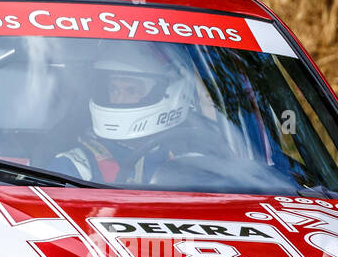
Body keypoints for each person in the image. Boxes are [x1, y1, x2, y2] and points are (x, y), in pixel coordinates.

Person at [49, 42, 221, 184]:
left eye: (131, 90)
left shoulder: (192, 163)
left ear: (170, 93)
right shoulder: (74, 167)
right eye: (113, 89)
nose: (119, 99)